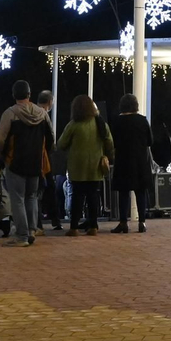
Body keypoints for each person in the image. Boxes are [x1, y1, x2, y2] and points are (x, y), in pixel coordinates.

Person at [0, 79, 54, 244]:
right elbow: (51, 137)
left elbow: (0, 139)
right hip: (36, 162)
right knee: (31, 197)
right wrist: (44, 154)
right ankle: (31, 231)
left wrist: (2, 156)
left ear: (14, 95)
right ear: (29, 94)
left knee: (18, 199)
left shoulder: (10, 113)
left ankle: (21, 235)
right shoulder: (42, 113)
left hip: (15, 162)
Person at [56, 94, 113, 236]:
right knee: (93, 196)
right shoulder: (100, 124)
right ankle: (93, 226)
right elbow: (110, 143)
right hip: (95, 166)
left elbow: (61, 144)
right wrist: (108, 156)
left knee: (77, 197)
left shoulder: (73, 124)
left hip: (77, 168)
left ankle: (74, 227)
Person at [108, 93, 153, 234]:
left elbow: (111, 141)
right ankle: (142, 223)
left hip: (123, 160)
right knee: (140, 192)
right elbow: (150, 141)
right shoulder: (142, 120)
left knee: (123, 192)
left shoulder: (117, 121)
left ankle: (123, 223)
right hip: (140, 161)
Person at [36, 90, 65, 231]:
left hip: (30, 158)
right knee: (49, 189)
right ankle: (55, 220)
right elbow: (50, 139)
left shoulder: (30, 112)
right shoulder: (44, 115)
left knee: (35, 191)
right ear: (49, 102)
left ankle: (37, 222)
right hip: (44, 158)